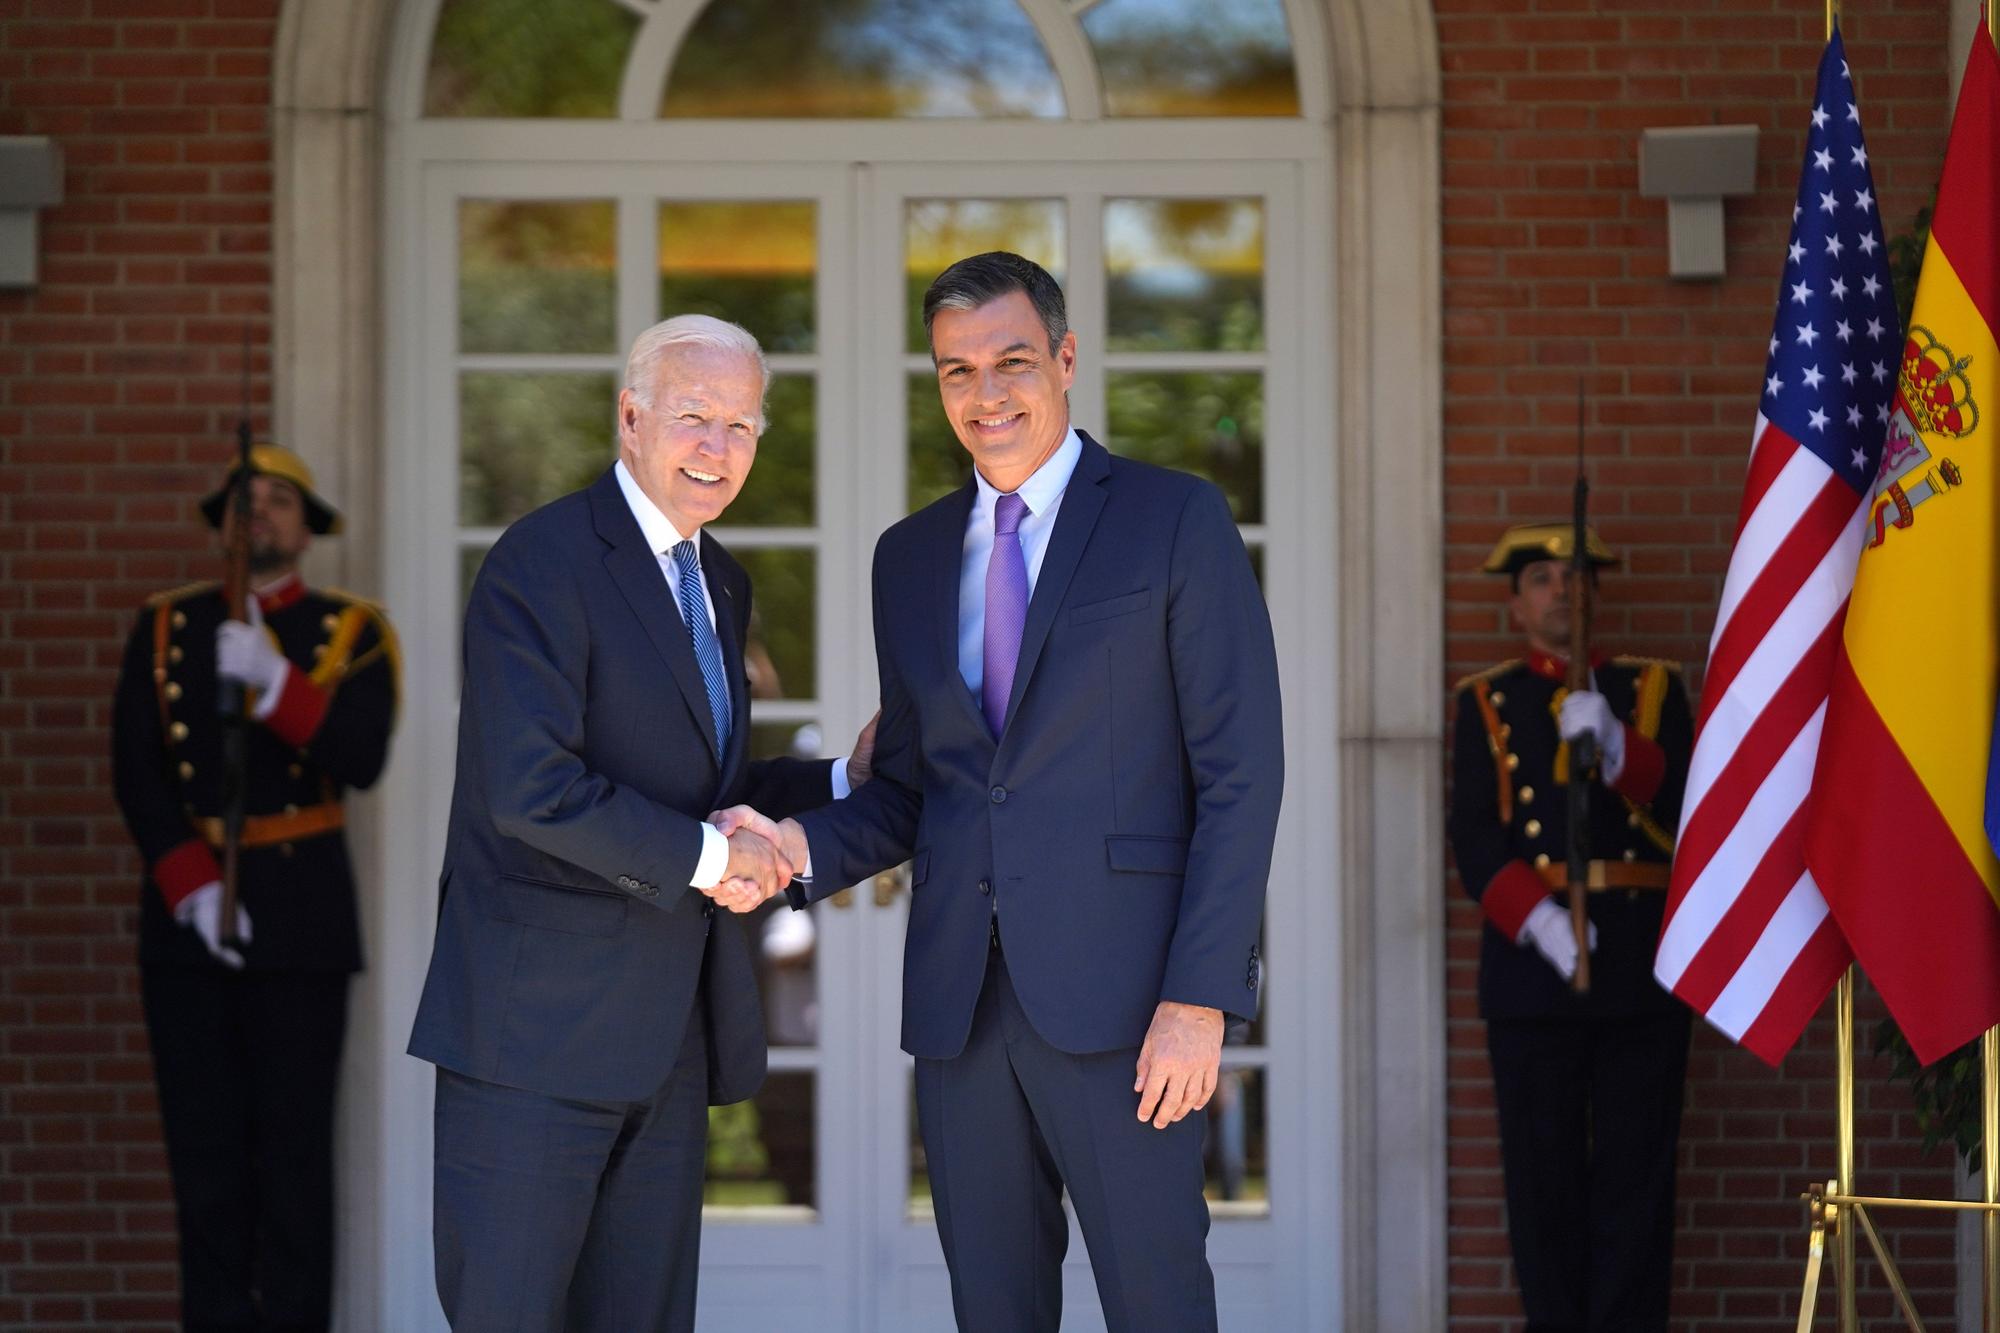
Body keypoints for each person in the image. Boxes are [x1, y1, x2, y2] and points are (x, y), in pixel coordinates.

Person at [713, 252, 1283, 1332]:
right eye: (956, 371)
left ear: (1065, 360)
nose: (986, 395)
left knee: (1159, 1307)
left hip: (1129, 1012)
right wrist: (793, 846)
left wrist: (1200, 997)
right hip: (961, 1012)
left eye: (1012, 361)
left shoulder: (1172, 521)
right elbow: (918, 787)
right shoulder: (909, 557)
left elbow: (1241, 771)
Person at [406, 314, 871, 1333]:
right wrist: (717, 859)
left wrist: (842, 777)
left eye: (741, 427)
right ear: (630, 418)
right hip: (533, 1043)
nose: (717, 448)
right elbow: (530, 788)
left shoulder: (720, 580)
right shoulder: (541, 562)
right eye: (694, 418)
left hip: (666, 1044)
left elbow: (698, 783)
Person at [111, 443, 399, 1332]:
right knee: (204, 1164)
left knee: (293, 1164)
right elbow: (136, 767)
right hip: (189, 919)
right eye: (244, 499)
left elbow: (359, 757)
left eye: (278, 500)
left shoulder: (351, 630)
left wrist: (277, 685)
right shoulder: (166, 627)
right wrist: (192, 884)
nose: (258, 514)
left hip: (300, 917)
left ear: (306, 527)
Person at [1448, 523, 1696, 1333]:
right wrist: (1542, 922)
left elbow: (1696, 811)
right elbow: (1476, 839)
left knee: (1637, 1182)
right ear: (1518, 603)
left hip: (1638, 965)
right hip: (1534, 973)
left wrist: (1623, 749)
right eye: (1546, 578)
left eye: (1576, 576)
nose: (1565, 590)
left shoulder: (1652, 689)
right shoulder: (1485, 699)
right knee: (1543, 1183)